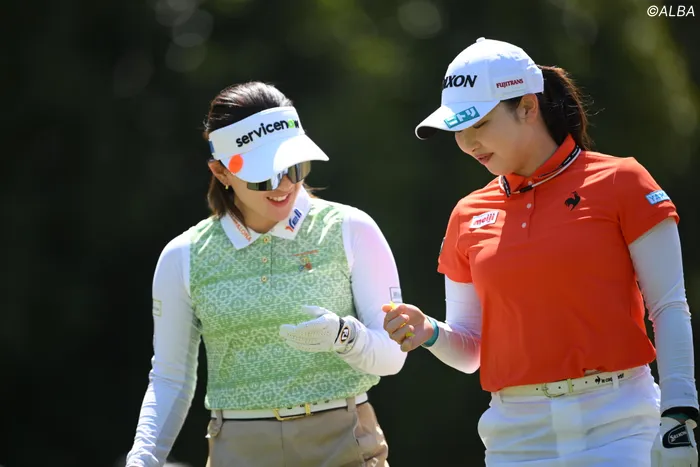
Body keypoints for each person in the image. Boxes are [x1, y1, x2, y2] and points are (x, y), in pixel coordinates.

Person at [382, 37, 698, 466]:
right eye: (458, 129)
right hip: (515, 439)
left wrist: (679, 414)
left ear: (528, 107)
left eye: (480, 124)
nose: (468, 142)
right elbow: (471, 352)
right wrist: (430, 332)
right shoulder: (467, 213)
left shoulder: (622, 181)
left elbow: (669, 307)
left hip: (621, 426)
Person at [126, 81, 406, 467]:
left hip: (344, 440)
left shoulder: (351, 228)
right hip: (238, 449)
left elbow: (393, 356)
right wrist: (143, 459)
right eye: (264, 176)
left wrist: (345, 336)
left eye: (295, 167)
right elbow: (171, 378)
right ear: (221, 172)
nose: (285, 185)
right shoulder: (184, 255)